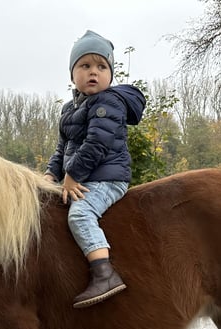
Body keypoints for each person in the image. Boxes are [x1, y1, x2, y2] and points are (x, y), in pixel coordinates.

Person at [45, 30, 146, 308]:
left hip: (107, 178)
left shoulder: (108, 102)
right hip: (80, 176)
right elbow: (61, 148)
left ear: (110, 75)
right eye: (85, 65)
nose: (94, 72)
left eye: (102, 67)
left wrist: (71, 176)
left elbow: (97, 145)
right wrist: (49, 175)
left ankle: (105, 273)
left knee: (80, 214)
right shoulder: (69, 109)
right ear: (72, 74)